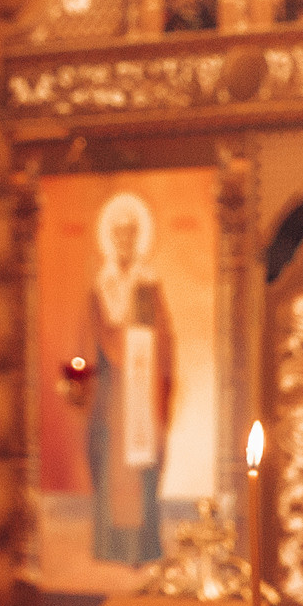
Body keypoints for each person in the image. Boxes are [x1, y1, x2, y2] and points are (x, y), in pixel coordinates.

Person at [81, 190, 177, 567]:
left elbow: (165, 336)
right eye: (117, 234)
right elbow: (87, 338)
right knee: (109, 462)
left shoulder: (148, 285)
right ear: (110, 239)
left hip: (141, 386)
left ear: (138, 240)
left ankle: (141, 547)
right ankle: (111, 546)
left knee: (141, 464)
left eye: (130, 234)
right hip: (110, 392)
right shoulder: (99, 287)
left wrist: (153, 364)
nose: (123, 241)